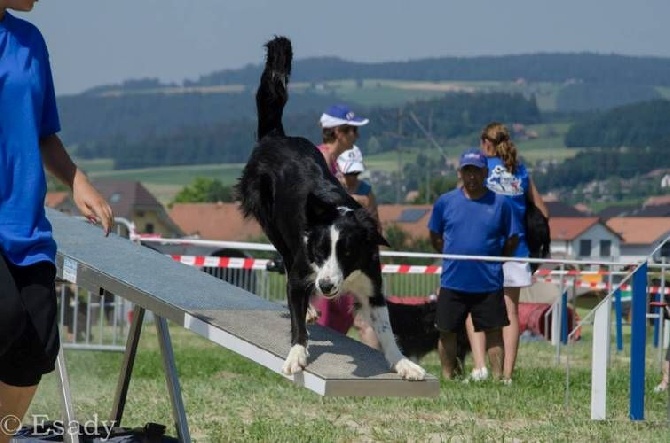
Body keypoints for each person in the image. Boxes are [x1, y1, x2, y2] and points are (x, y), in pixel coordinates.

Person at [0, 2, 114, 437]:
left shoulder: (29, 40)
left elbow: (43, 129)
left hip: (23, 221)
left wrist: (77, 180)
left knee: (35, 347)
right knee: (4, 317)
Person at [465, 122, 550, 385]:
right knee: (511, 312)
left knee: (474, 308)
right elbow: (543, 212)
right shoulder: (521, 172)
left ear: (485, 143)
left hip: (485, 249)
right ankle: (507, 375)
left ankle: (481, 368)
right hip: (518, 251)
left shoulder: (480, 170)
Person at [428, 148, 520, 381]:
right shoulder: (445, 202)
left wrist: (495, 258)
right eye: (467, 171)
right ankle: (448, 376)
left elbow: (512, 238)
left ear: (485, 173)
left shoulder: (501, 204)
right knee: (446, 330)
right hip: (453, 280)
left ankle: (499, 379)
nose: (472, 176)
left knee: (494, 331)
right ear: (460, 173)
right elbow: (435, 235)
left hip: (488, 282)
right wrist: (450, 254)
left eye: (476, 171)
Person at [311, 105, 380, 348]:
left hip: (333, 253)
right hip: (316, 250)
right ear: (339, 132)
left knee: (360, 318)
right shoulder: (320, 160)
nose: (356, 135)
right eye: (352, 130)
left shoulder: (334, 164)